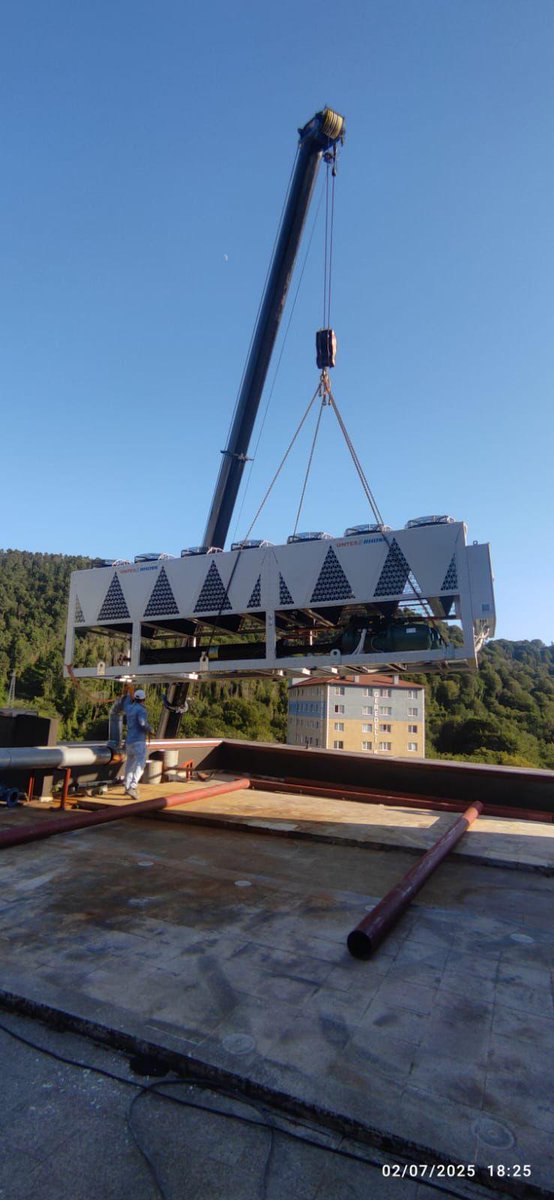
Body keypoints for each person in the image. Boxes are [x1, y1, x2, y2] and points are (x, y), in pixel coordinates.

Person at [112, 685, 153, 800]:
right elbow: (142, 723)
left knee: (129, 765)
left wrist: (127, 691)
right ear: (144, 699)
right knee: (141, 764)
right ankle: (133, 787)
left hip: (129, 742)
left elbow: (125, 701)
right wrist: (150, 729)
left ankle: (127, 786)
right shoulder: (141, 710)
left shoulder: (129, 707)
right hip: (139, 742)